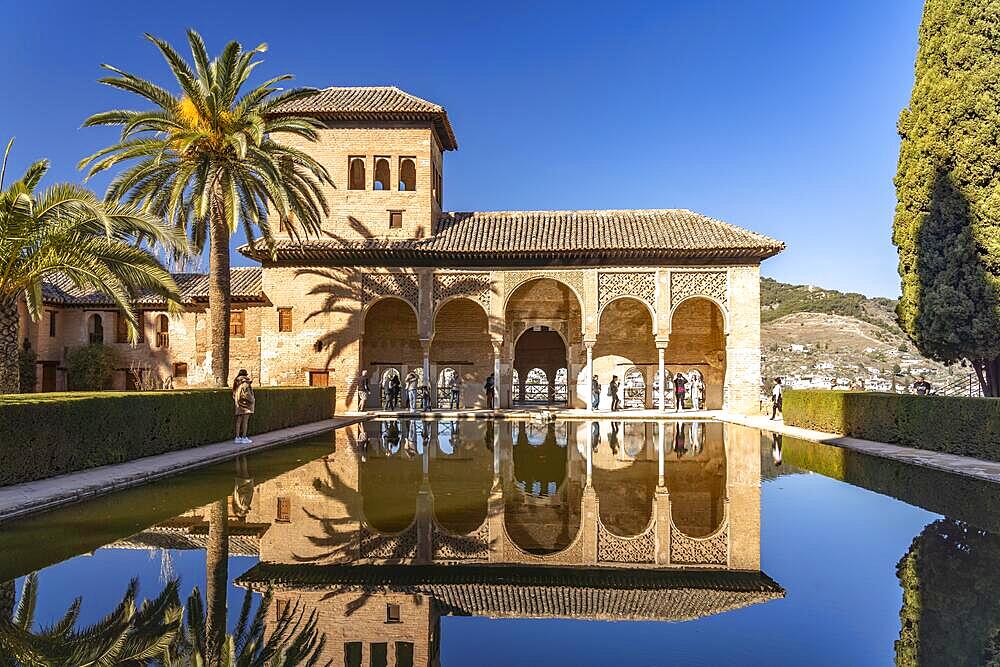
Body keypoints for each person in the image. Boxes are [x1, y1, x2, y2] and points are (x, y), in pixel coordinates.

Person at [232, 369, 255, 444]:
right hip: (246, 404)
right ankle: (244, 437)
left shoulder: (236, 382)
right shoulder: (245, 383)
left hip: (238, 403)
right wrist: (252, 400)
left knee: (238, 421)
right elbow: (247, 394)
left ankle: (237, 437)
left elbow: (234, 393)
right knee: (245, 421)